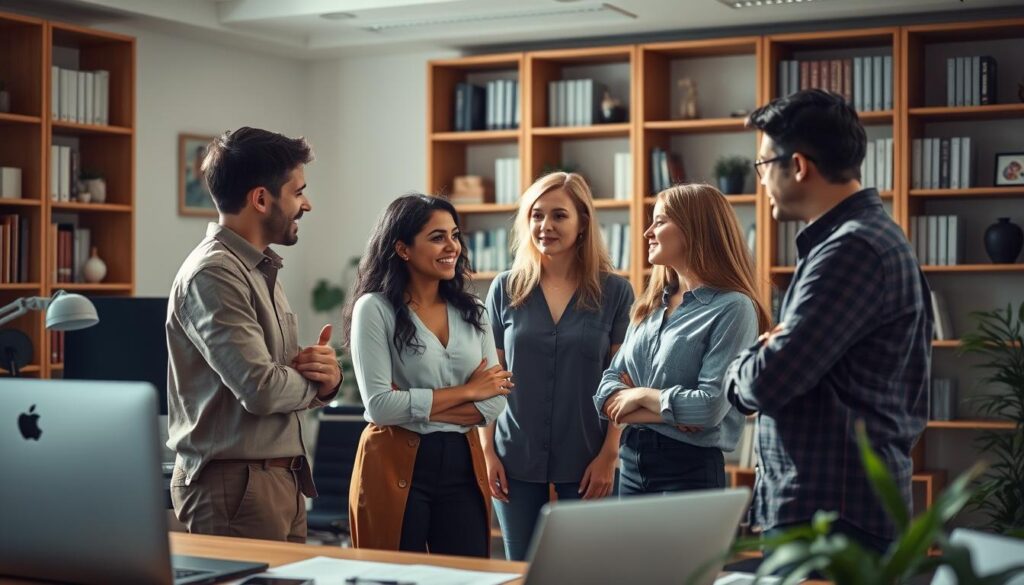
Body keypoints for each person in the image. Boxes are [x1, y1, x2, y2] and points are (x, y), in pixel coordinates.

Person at [725, 89, 932, 554]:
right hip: (832, 508)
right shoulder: (849, 241)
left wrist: (749, 359)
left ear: (798, 165)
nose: (760, 179)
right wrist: (766, 347)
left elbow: (765, 383)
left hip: (834, 518)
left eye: (763, 165)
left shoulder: (850, 250)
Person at [166, 127, 341, 543]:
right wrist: (313, 384)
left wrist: (327, 379)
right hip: (236, 489)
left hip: (278, 483)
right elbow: (261, 388)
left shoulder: (257, 268)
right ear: (261, 199)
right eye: (298, 192)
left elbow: (279, 374)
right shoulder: (214, 273)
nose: (307, 204)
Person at [345, 194, 510, 557]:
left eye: (454, 235)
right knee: (392, 578)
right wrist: (469, 391)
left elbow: (495, 401)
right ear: (403, 249)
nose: (452, 246)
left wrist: (414, 403)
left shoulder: (475, 312)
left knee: (466, 578)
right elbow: (380, 407)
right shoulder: (374, 309)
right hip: (392, 461)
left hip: (463, 463)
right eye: (437, 237)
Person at [482, 172, 634, 561]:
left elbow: (624, 383)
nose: (545, 226)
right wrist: (488, 451)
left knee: (584, 572)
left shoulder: (616, 291)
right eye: (536, 215)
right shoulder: (505, 288)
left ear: (583, 222)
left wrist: (609, 455)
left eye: (559, 216)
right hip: (514, 454)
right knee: (524, 571)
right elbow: (489, 379)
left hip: (588, 457)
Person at [594, 183, 769, 496]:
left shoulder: (734, 308)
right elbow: (605, 395)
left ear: (695, 230)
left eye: (660, 222)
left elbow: (709, 409)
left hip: (689, 471)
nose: (648, 232)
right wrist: (673, 413)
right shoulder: (648, 306)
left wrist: (640, 394)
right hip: (631, 464)